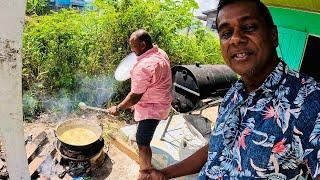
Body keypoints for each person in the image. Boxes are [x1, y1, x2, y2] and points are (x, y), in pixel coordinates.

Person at [145, 0, 320, 179]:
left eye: (250, 27)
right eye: (227, 33)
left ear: (273, 35)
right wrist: (165, 173)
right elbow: (217, 146)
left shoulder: (309, 100)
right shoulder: (234, 93)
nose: (236, 39)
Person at [107, 29, 172, 178]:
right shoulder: (160, 52)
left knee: (142, 142)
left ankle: (145, 172)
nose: (131, 50)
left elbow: (135, 96)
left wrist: (118, 108)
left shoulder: (143, 66)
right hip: (161, 100)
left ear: (143, 44)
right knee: (142, 135)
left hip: (152, 109)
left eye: (133, 46)